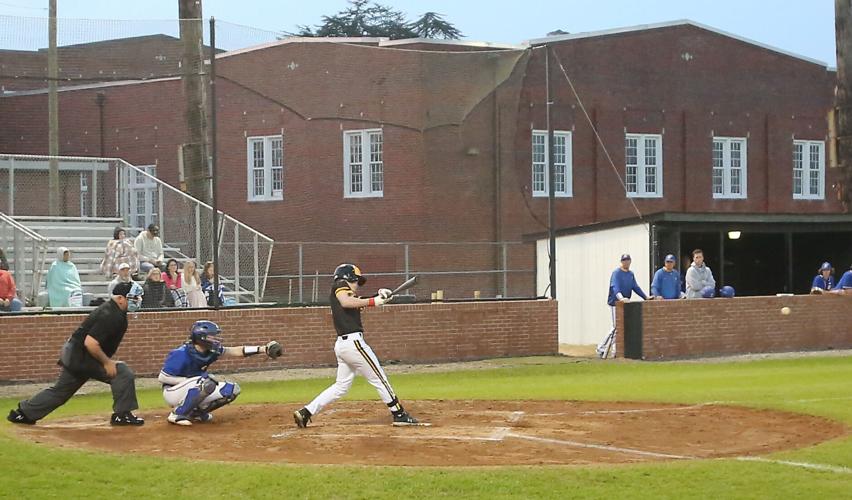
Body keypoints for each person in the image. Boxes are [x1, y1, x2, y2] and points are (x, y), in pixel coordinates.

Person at [293, 264, 423, 428]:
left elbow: (356, 302)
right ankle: (399, 414)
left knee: (341, 386)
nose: (357, 285)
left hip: (344, 345)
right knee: (379, 378)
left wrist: (380, 296)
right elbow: (347, 302)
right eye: (356, 281)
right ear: (348, 278)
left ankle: (306, 412)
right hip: (353, 344)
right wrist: (373, 301)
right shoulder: (340, 285)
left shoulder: (345, 293)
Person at [7, 282, 145, 426]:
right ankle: (121, 415)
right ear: (120, 298)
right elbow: (91, 343)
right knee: (122, 373)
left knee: (61, 391)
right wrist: (107, 362)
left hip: (76, 354)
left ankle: (23, 414)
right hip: (81, 356)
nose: (138, 300)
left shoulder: (114, 311)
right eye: (134, 298)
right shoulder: (111, 314)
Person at [158, 320, 282, 425]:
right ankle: (177, 414)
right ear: (201, 337)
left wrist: (262, 349)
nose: (215, 339)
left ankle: (195, 413)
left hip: (194, 386)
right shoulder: (181, 353)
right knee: (207, 382)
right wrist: (192, 381)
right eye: (211, 336)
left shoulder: (210, 350)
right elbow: (163, 377)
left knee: (231, 390)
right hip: (172, 391)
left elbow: (235, 351)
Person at [595, 254, 648, 359]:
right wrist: (621, 298)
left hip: (625, 304)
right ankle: (601, 348)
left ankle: (615, 350)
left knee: (620, 327)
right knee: (616, 327)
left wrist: (645, 297)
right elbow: (615, 287)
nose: (626, 262)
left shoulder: (630, 274)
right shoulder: (616, 273)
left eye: (628, 260)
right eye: (624, 260)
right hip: (615, 303)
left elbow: (635, 287)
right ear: (621, 261)